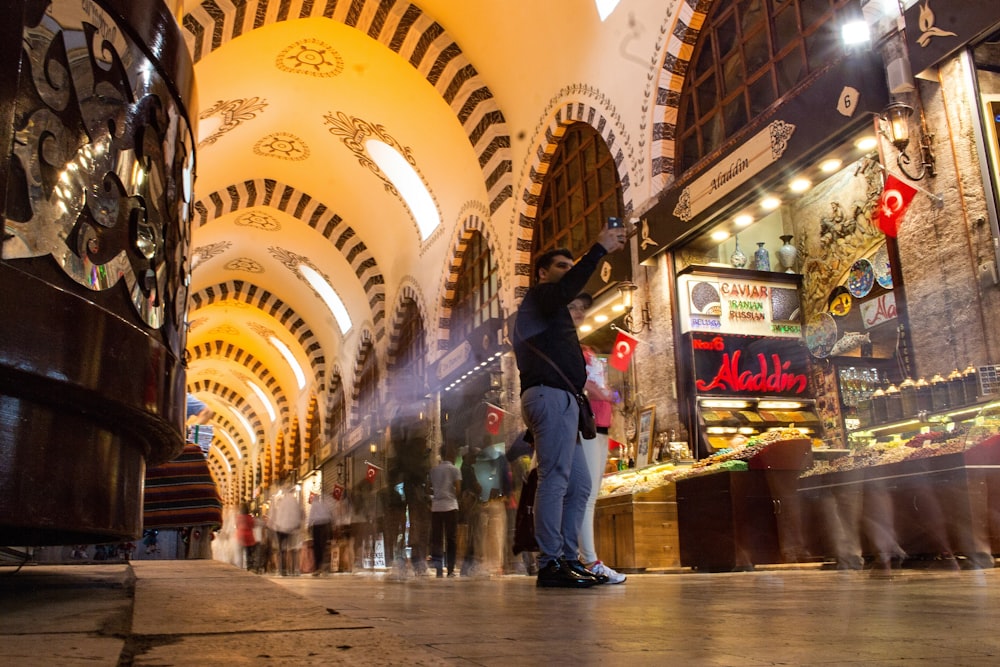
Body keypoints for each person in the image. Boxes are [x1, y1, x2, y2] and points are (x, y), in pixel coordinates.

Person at [512, 223, 626, 588]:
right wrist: (598, 249)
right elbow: (563, 288)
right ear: (544, 273)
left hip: (566, 402)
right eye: (561, 265)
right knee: (556, 477)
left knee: (578, 485)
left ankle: (565, 557)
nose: (567, 270)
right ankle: (549, 564)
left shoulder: (552, 312)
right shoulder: (540, 298)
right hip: (548, 395)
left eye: (569, 264)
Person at [568, 293, 627, 585]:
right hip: (586, 424)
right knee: (587, 494)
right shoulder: (572, 350)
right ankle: (590, 559)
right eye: (573, 307)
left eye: (582, 308)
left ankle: (586, 557)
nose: (579, 313)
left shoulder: (586, 349)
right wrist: (602, 393)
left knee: (590, 494)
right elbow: (579, 381)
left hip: (599, 425)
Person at [428, 446, 462, 577]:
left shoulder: (433, 470)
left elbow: (428, 488)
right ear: (449, 454)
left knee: (437, 539)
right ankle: (451, 569)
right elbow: (458, 489)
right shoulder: (455, 470)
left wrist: (437, 493)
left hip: (436, 507)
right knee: (451, 539)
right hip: (450, 506)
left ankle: (438, 570)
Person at [268, 476, 304, 576]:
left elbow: (274, 515)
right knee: (292, 549)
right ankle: (293, 570)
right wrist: (298, 525)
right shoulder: (293, 500)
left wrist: (272, 526)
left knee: (282, 550)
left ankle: (282, 569)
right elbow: (299, 513)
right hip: (291, 528)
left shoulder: (278, 500)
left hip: (280, 528)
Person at [306, 490, 334, 575]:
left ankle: (318, 567)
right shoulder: (323, 505)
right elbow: (329, 516)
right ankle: (324, 567)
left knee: (317, 547)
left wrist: (309, 525)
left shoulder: (314, 505)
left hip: (317, 527)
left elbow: (311, 516)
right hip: (325, 526)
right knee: (324, 546)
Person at [235, 502, 257, 571]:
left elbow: (237, 526)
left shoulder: (238, 517)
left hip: (240, 536)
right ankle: (249, 567)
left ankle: (240, 567)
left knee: (240, 553)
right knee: (248, 553)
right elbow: (253, 525)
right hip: (249, 537)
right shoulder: (250, 517)